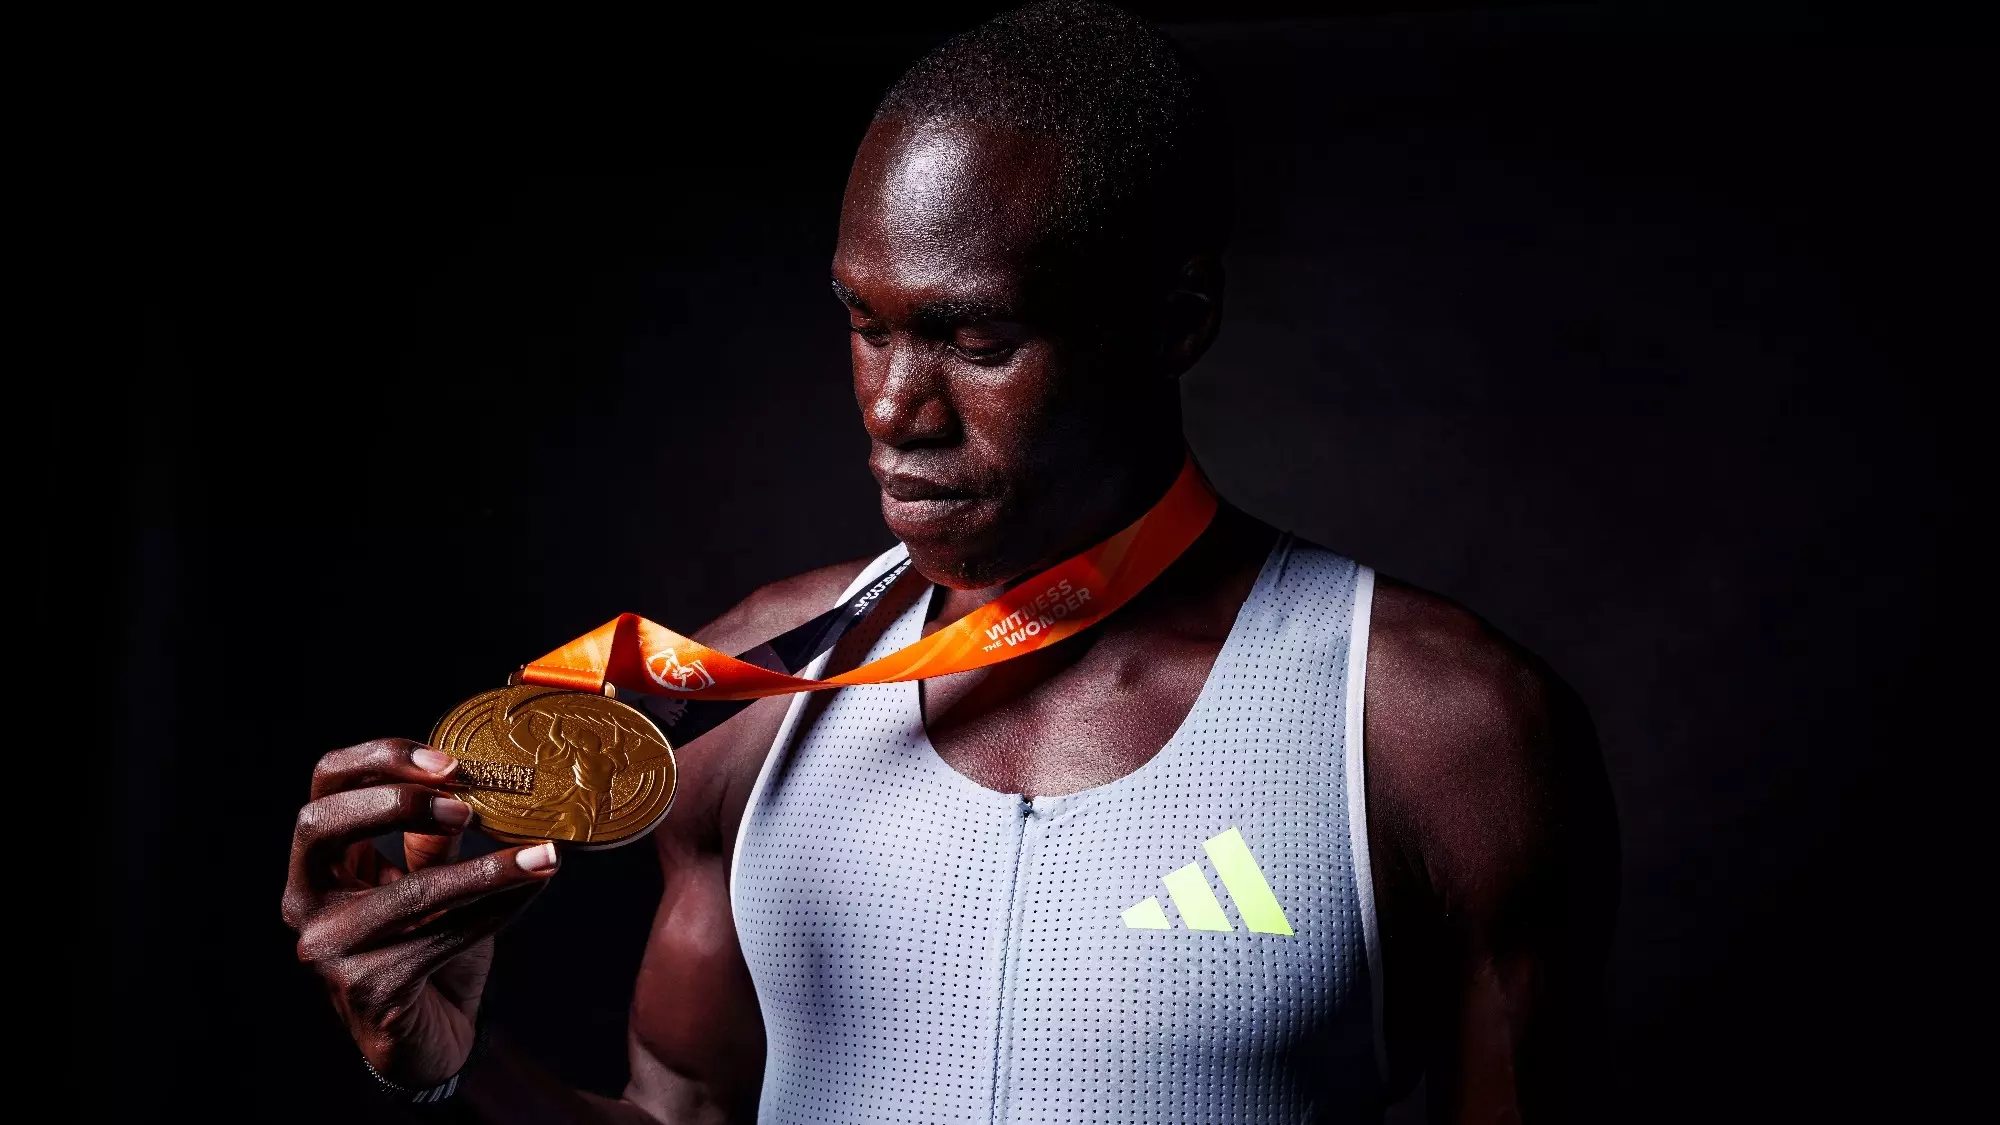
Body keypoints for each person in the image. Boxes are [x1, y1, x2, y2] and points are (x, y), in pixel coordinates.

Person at [281, 3, 1618, 1120]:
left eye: (973, 340)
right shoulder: (749, 692)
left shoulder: (1433, 734)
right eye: (865, 324)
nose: (891, 408)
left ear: (1179, 320)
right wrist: (447, 1070)